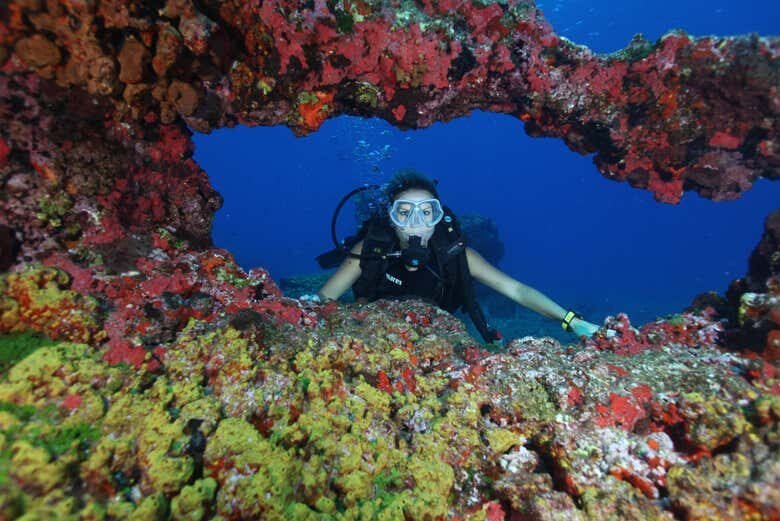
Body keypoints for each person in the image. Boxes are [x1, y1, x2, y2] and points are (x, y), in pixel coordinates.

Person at [316, 170, 602, 341]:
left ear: (438, 217)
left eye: (427, 212)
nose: (416, 222)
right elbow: (323, 301)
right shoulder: (369, 250)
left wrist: (572, 321)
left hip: (437, 339)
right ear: (392, 219)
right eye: (404, 212)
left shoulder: (456, 255)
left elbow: (516, 289)